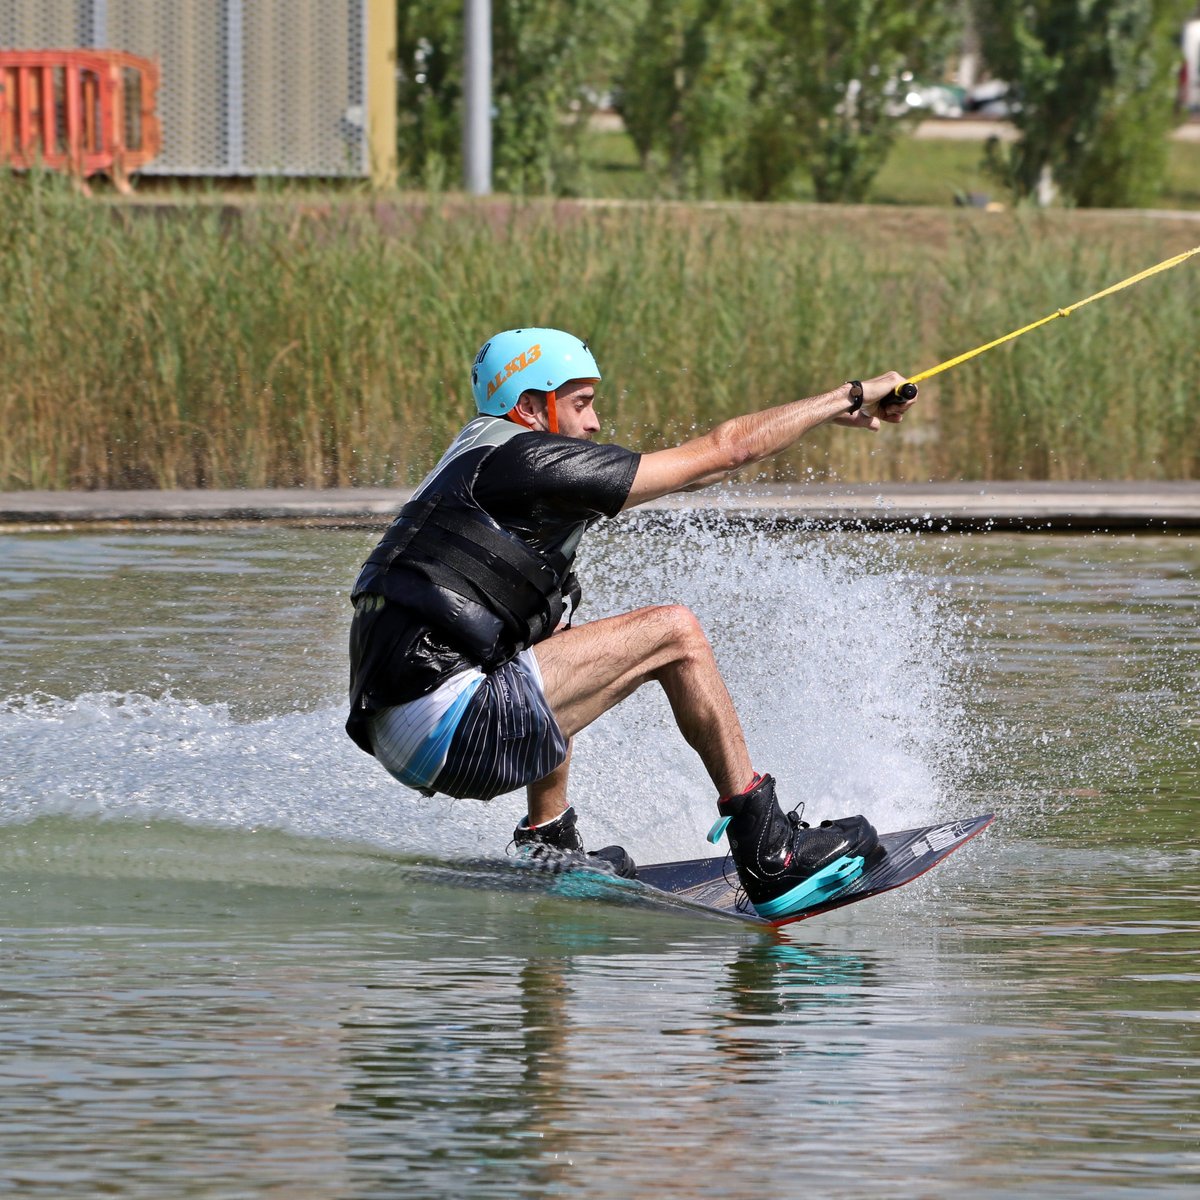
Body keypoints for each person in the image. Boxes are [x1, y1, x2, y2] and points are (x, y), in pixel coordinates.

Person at [346, 328, 917, 919]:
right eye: (581, 403)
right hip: (450, 722)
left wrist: (819, 417)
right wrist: (846, 395)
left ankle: (547, 841)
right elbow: (727, 451)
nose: (594, 423)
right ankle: (767, 849)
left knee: (559, 631)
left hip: (403, 727)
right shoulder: (528, 460)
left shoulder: (478, 457)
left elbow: (702, 471)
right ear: (528, 409)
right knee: (674, 632)